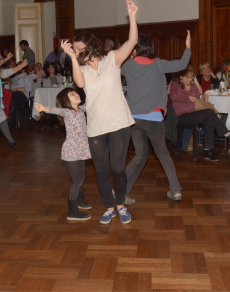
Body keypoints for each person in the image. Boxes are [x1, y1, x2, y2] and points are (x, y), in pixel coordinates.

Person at [67, 0, 138, 224]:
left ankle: (121, 205)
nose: (77, 51)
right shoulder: (83, 70)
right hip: (96, 126)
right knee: (100, 171)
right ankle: (109, 206)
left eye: (79, 48)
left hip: (119, 122)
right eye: (75, 49)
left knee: (117, 168)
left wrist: (132, 16)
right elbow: (78, 83)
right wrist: (71, 57)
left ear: (90, 45)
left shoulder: (112, 60)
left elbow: (132, 41)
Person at [121, 32, 191, 204]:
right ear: (150, 49)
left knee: (139, 155)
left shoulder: (127, 66)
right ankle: (175, 191)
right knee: (163, 154)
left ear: (135, 50)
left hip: (133, 120)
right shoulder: (158, 64)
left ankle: (121, 191)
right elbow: (182, 63)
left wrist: (129, 52)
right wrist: (187, 46)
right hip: (152, 118)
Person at [34, 88, 92, 220]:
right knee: (77, 180)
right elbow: (56, 110)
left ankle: (78, 200)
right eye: (72, 94)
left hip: (81, 149)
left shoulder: (82, 109)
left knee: (81, 176)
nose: (77, 94)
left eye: (76, 93)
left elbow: (91, 102)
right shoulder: (67, 111)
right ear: (66, 101)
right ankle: (72, 211)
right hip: (71, 151)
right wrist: (43, 108)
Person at [170, 66, 230, 161]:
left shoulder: (193, 86)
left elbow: (198, 96)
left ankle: (208, 151)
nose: (190, 80)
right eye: (188, 77)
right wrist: (188, 97)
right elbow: (173, 97)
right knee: (210, 112)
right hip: (182, 115)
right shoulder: (175, 84)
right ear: (181, 76)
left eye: (191, 77)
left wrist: (204, 97)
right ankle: (226, 133)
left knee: (209, 120)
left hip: (193, 113)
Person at [8, 61, 33, 126]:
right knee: (4, 93)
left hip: (22, 96)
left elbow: (29, 89)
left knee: (15, 94)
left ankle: (9, 120)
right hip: (14, 95)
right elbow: (11, 88)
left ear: (23, 69)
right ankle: (6, 120)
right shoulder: (14, 78)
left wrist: (16, 89)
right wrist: (10, 84)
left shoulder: (26, 77)